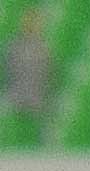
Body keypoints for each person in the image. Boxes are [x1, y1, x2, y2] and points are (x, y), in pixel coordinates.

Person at [4, 10, 51, 142]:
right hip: (16, 100)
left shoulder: (43, 49)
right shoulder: (14, 47)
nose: (32, 26)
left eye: (35, 23)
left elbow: (47, 75)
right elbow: (9, 73)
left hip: (36, 102)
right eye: (29, 23)